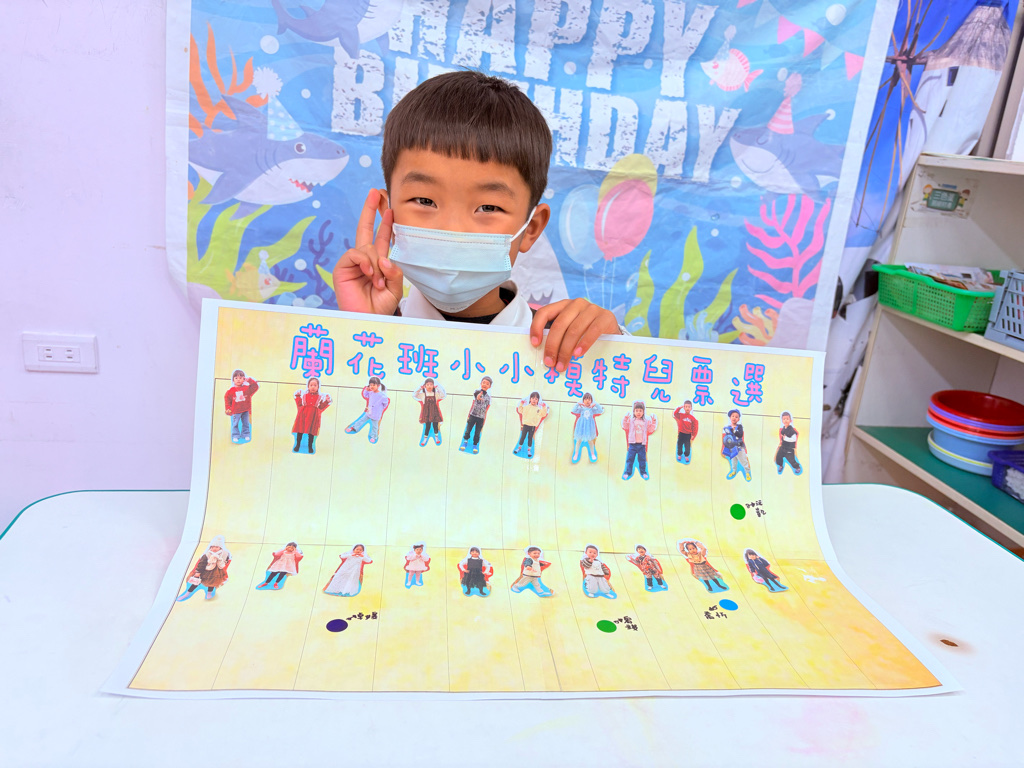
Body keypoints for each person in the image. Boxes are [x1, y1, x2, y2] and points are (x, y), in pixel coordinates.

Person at [330, 71, 621, 372]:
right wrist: (361, 333)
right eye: (425, 201)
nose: (452, 229)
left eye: (488, 207)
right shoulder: (367, 328)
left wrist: (616, 350)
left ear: (531, 229)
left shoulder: (567, 348)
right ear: (388, 214)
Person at [177, 535, 232, 601]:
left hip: (216, 573)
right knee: (196, 583)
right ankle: (187, 593)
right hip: (205, 572)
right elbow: (201, 564)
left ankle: (209, 593)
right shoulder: (207, 555)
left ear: (220, 548)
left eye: (216, 547)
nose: (214, 549)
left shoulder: (223, 554)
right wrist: (198, 573)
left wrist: (221, 560)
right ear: (210, 548)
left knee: (212, 583)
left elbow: (224, 563)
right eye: (212, 547)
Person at [344, 376, 389, 444]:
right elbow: (365, 395)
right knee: (361, 420)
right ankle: (354, 427)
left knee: (375, 426)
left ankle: (374, 436)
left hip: (376, 414)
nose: (371, 386)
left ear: (378, 385)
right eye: (370, 385)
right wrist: (366, 390)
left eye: (373, 385)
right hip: (369, 412)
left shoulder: (382, 395)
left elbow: (385, 403)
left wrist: (380, 408)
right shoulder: (371, 393)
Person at [292, 378, 331, 454]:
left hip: (313, 417)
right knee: (300, 431)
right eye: (311, 385)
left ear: (318, 387)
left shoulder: (319, 397)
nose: (313, 387)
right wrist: (298, 396)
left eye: (315, 385)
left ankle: (310, 446)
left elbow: (321, 407)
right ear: (308, 386)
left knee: (311, 432)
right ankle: (297, 445)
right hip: (303, 416)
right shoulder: (304, 396)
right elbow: (299, 404)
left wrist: (326, 401)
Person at [622, 400, 658, 481]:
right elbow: (625, 426)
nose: (638, 412)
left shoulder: (645, 422)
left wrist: (653, 422)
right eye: (637, 410)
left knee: (642, 459)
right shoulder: (631, 421)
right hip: (632, 444)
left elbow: (650, 429)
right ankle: (627, 472)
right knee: (630, 459)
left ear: (643, 412)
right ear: (634, 412)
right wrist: (625, 419)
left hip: (641, 445)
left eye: (640, 411)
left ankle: (643, 472)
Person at [224, 370, 258, 444]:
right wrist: (228, 409)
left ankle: (246, 434)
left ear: (244, 379)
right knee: (235, 424)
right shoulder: (230, 391)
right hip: (235, 411)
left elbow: (255, 387)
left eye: (240, 378)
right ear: (233, 380)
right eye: (236, 378)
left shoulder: (247, 388)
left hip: (245, 410)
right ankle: (235, 435)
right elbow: (227, 400)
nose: (238, 380)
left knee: (246, 423)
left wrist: (249, 380)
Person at [460, 376, 492, 454]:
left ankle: (475, 445)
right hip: (473, 415)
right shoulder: (477, 392)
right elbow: (475, 398)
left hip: (481, 418)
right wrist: (469, 415)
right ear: (481, 383)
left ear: (489, 386)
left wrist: (484, 419)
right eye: (483, 382)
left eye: (487, 384)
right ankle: (465, 442)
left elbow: (486, 409)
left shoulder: (488, 397)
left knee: (477, 432)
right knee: (468, 430)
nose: (485, 384)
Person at [570, 393, 604, 464]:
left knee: (590, 441)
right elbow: (573, 410)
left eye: (589, 399)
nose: (587, 401)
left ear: (591, 401)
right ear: (583, 400)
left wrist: (595, 404)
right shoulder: (581, 408)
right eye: (585, 399)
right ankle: (576, 453)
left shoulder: (592, 409)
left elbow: (600, 410)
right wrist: (578, 404)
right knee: (578, 440)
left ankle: (592, 453)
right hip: (581, 426)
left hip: (589, 427)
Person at [514, 392, 548, 459]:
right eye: (533, 398)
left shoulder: (538, 409)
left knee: (530, 438)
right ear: (530, 399)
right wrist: (521, 403)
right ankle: (519, 448)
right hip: (525, 425)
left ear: (538, 400)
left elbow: (543, 414)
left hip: (532, 427)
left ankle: (529, 450)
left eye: (536, 399)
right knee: (522, 437)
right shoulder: (526, 407)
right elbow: (520, 410)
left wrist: (544, 407)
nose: (534, 400)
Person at [413, 378, 446, 446]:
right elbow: (415, 395)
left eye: (431, 384)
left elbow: (443, 395)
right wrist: (420, 388)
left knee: (435, 426)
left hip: (434, 412)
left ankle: (436, 438)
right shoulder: (422, 395)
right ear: (425, 386)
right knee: (427, 426)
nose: (429, 386)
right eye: (427, 384)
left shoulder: (436, 394)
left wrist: (437, 387)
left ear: (433, 385)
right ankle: (425, 439)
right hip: (427, 413)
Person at [722, 409, 751, 482]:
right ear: (730, 417)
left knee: (743, 460)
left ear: (738, 419)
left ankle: (747, 472)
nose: (734, 418)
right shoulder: (728, 427)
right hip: (732, 447)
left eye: (736, 417)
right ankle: (734, 470)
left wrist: (734, 430)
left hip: (739, 447)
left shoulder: (739, 426)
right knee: (733, 460)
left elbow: (740, 435)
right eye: (733, 416)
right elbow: (727, 438)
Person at [775, 411, 802, 475]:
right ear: (782, 420)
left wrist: (786, 438)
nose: (785, 420)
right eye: (784, 419)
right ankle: (780, 465)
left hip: (789, 448)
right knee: (778, 456)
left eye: (787, 419)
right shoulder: (783, 428)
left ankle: (797, 468)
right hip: (783, 447)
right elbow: (782, 436)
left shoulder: (792, 430)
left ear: (790, 420)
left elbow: (794, 439)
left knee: (791, 460)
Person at [672, 399, 699, 464]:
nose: (687, 408)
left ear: (691, 408)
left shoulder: (692, 418)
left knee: (687, 446)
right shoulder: (681, 415)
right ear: (684, 408)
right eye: (686, 407)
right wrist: (679, 408)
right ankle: (679, 454)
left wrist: (693, 435)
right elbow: (675, 414)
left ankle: (686, 455)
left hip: (688, 434)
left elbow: (695, 427)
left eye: (689, 407)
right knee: (679, 445)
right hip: (681, 433)